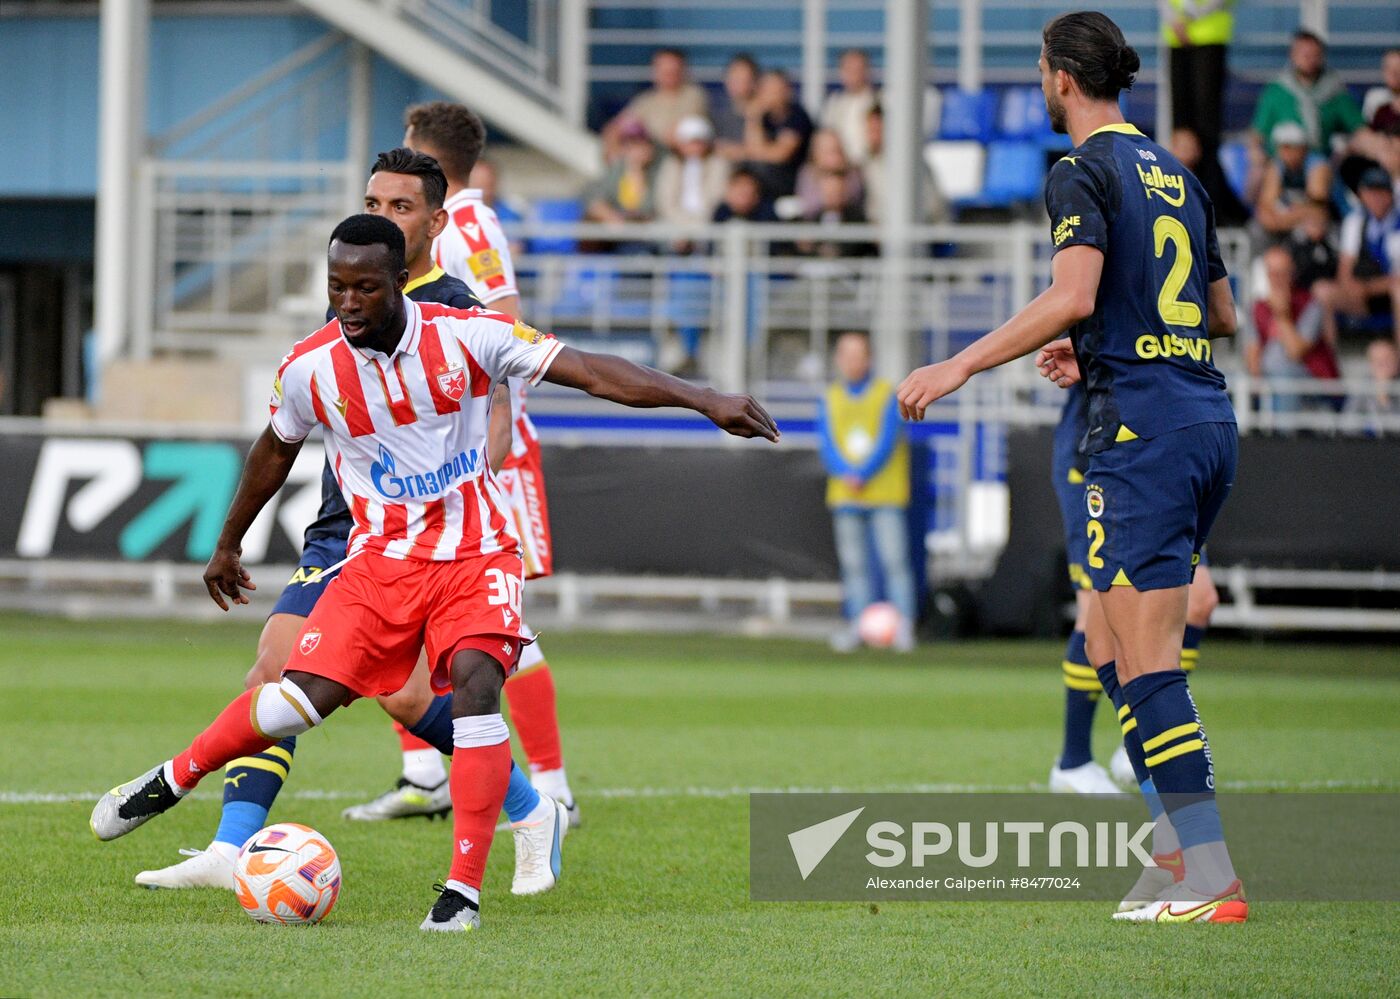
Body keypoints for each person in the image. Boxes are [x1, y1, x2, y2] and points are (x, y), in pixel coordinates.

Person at [90, 213, 779, 934]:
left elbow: (592, 371)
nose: (348, 302)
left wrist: (705, 399)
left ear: (400, 281)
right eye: (336, 287)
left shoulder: (466, 334)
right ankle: (173, 778)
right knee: (296, 701)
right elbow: (274, 449)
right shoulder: (310, 366)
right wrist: (228, 542)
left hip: (476, 552)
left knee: (476, 687)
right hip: (380, 562)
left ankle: (460, 894)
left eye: (364, 288)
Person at [126, 149, 552, 891]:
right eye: (374, 203)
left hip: (423, 539)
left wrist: (458, 489)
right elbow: (294, 425)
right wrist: (231, 538)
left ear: (434, 223)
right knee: (276, 666)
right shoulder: (353, 290)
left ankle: (527, 807)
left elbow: (498, 409)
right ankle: (230, 847)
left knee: (410, 697)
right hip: (344, 526)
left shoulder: (455, 306)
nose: (383, 217)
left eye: (401, 207)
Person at [901, 11, 1247, 923]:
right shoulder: (1178, 173)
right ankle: (1174, 853)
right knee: (1114, 645)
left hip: (1143, 436)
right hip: (1205, 421)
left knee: (1143, 661)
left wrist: (958, 364)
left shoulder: (1079, 169)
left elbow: (1074, 291)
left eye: (1040, 71)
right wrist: (1099, 348)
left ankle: (1210, 874)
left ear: (1060, 76)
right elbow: (1221, 316)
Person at [400, 102, 584, 824]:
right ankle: (425, 773)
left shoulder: (468, 224)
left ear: (428, 156)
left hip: (482, 451)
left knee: (500, 620)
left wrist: (492, 433)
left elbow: (504, 322)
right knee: (411, 604)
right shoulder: (435, 226)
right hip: (438, 450)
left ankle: (553, 786)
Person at [819, 331, 915, 653]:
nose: (852, 362)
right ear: (838, 359)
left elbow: (888, 439)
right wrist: (846, 472)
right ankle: (858, 626)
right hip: (845, 495)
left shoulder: (886, 394)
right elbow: (828, 443)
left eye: (858, 355)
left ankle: (903, 626)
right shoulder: (830, 397)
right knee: (853, 566)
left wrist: (862, 473)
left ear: (869, 359)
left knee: (894, 561)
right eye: (846, 355)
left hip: (884, 493)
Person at [1249, 30, 1364, 192]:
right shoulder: (1276, 90)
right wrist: (1256, 152)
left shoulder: (1335, 91)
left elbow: (1359, 128)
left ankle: (1316, 205)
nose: (1309, 59)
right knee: (1262, 174)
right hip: (1280, 159)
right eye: (1304, 54)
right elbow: (1257, 133)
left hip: (1318, 158)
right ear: (1292, 55)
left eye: (1315, 55)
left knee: (1320, 171)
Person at [1248, 244, 1340, 415]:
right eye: (1272, 273)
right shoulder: (1258, 307)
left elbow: (1296, 351)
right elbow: (1253, 352)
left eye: (1282, 273)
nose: (1277, 279)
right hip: (1271, 378)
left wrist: (1282, 315)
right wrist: (1256, 385)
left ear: (1292, 273)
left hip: (1313, 379)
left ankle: (1283, 432)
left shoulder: (1310, 304)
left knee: (1282, 372)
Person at [1313, 167, 1400, 344]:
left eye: (1381, 192)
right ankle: (1329, 357)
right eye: (1370, 192)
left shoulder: (1397, 224)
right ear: (1362, 195)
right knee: (1322, 290)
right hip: (1364, 294)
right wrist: (1353, 287)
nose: (1376, 198)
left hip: (1389, 292)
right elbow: (1345, 269)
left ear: (1390, 194)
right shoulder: (1355, 221)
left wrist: (1369, 287)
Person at [604, 48, 709, 155]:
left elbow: (678, 134)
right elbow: (616, 127)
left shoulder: (693, 95)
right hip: (649, 156)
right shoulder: (646, 100)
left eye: (673, 70)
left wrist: (645, 143)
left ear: (683, 70)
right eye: (664, 70)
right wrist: (616, 151)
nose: (668, 74)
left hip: (678, 157)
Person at [1253, 121, 1332, 243]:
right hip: (1289, 220)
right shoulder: (1278, 165)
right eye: (1281, 147)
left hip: (1333, 223)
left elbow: (1318, 209)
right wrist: (1284, 218)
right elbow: (1265, 205)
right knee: (1257, 227)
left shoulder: (1317, 165)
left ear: (1302, 148)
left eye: (1288, 147)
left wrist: (1281, 218)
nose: (1283, 152)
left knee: (1313, 229)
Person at [740, 70, 814, 200]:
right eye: (766, 89)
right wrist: (754, 117)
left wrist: (747, 152)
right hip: (770, 178)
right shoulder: (765, 118)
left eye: (774, 89)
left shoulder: (797, 116)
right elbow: (752, 147)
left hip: (794, 179)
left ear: (787, 91)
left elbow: (781, 155)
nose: (769, 94)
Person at [655, 115, 731, 229]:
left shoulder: (718, 164)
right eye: (690, 142)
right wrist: (681, 223)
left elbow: (717, 197)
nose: (694, 147)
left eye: (698, 142)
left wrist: (700, 223)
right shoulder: (672, 165)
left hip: (709, 222)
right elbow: (665, 199)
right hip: (674, 224)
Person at [585, 117, 660, 227]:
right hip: (618, 229)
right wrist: (609, 215)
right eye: (629, 146)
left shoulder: (659, 169)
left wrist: (638, 172)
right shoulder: (617, 169)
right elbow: (593, 197)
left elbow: (650, 208)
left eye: (638, 144)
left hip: (648, 229)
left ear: (649, 147)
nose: (634, 151)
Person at [820, 49, 880, 165]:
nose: (854, 74)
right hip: (843, 170)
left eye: (858, 69)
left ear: (868, 70)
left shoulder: (881, 101)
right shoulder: (833, 103)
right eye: (848, 69)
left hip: (873, 167)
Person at [794, 128, 864, 218]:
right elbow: (807, 206)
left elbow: (854, 201)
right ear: (815, 153)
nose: (834, 155)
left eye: (836, 149)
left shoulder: (853, 173)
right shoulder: (807, 174)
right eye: (828, 151)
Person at [713, 53, 759, 159]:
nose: (735, 82)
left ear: (754, 82)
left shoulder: (765, 113)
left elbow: (760, 152)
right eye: (733, 76)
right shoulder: (718, 112)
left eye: (742, 78)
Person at [713, 167, 778, 224]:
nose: (743, 199)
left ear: (757, 197)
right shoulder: (722, 211)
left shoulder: (767, 213)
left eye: (747, 194)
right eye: (740, 194)